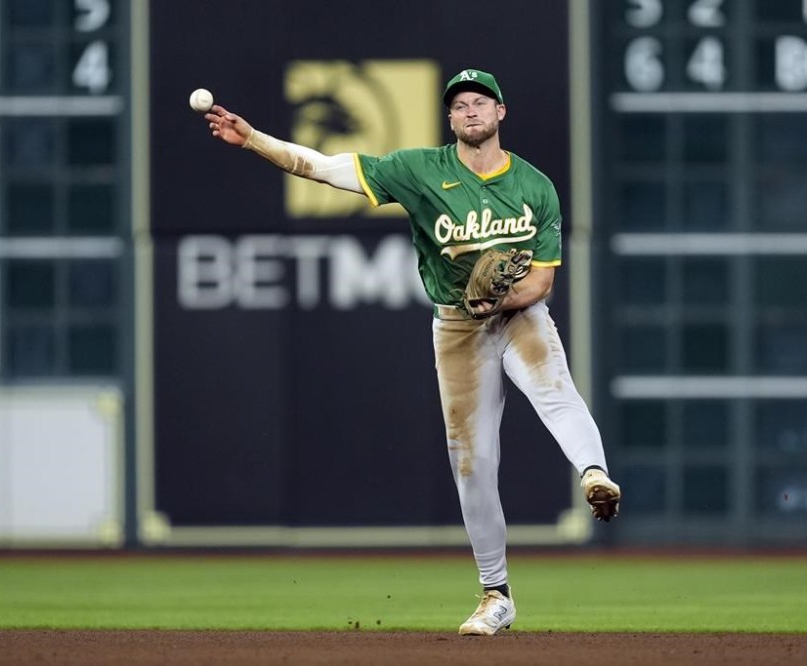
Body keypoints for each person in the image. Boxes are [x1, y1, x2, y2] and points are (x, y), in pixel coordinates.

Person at [202, 68, 621, 636]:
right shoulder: (418, 169)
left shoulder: (536, 187)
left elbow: (541, 283)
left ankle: (594, 474)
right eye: (459, 105)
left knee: (554, 389)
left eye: (481, 102)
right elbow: (325, 169)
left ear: (501, 113)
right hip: (456, 326)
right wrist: (253, 138)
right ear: (450, 119)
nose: (470, 110)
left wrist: (500, 298)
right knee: (472, 464)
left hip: (518, 314)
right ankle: (496, 595)